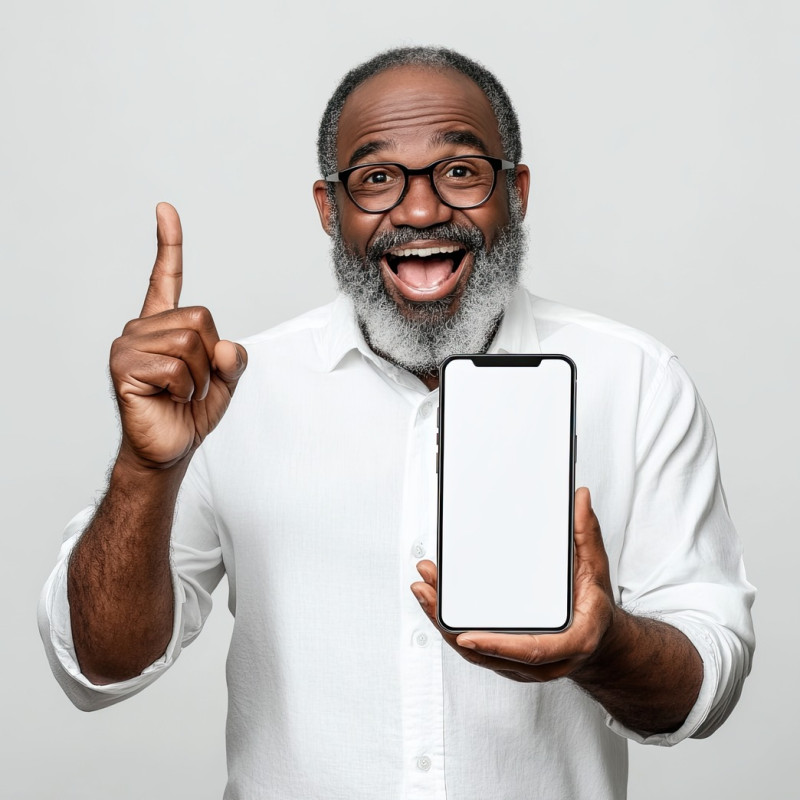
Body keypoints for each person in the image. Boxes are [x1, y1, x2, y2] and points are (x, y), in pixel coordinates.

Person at [39, 46, 755, 799]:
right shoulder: (233, 390)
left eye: (461, 171)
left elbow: (709, 678)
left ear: (516, 191)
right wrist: (145, 469)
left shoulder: (636, 381)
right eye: (377, 178)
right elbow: (98, 667)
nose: (420, 211)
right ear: (329, 208)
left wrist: (604, 647)